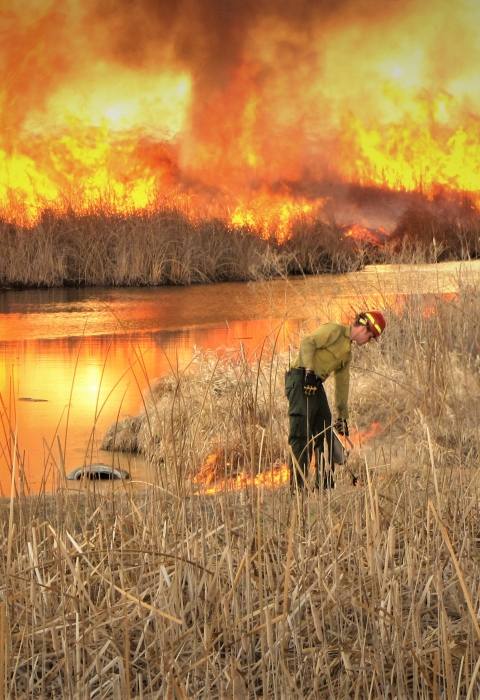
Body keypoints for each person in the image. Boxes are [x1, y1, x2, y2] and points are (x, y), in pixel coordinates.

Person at [285, 311, 386, 490]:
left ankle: (325, 485)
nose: (369, 341)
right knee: (301, 434)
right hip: (300, 377)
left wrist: (342, 417)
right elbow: (307, 342)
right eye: (371, 336)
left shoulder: (346, 354)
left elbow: (342, 385)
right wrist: (308, 371)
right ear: (364, 328)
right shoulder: (334, 330)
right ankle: (298, 488)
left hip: (315, 383)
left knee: (325, 432)